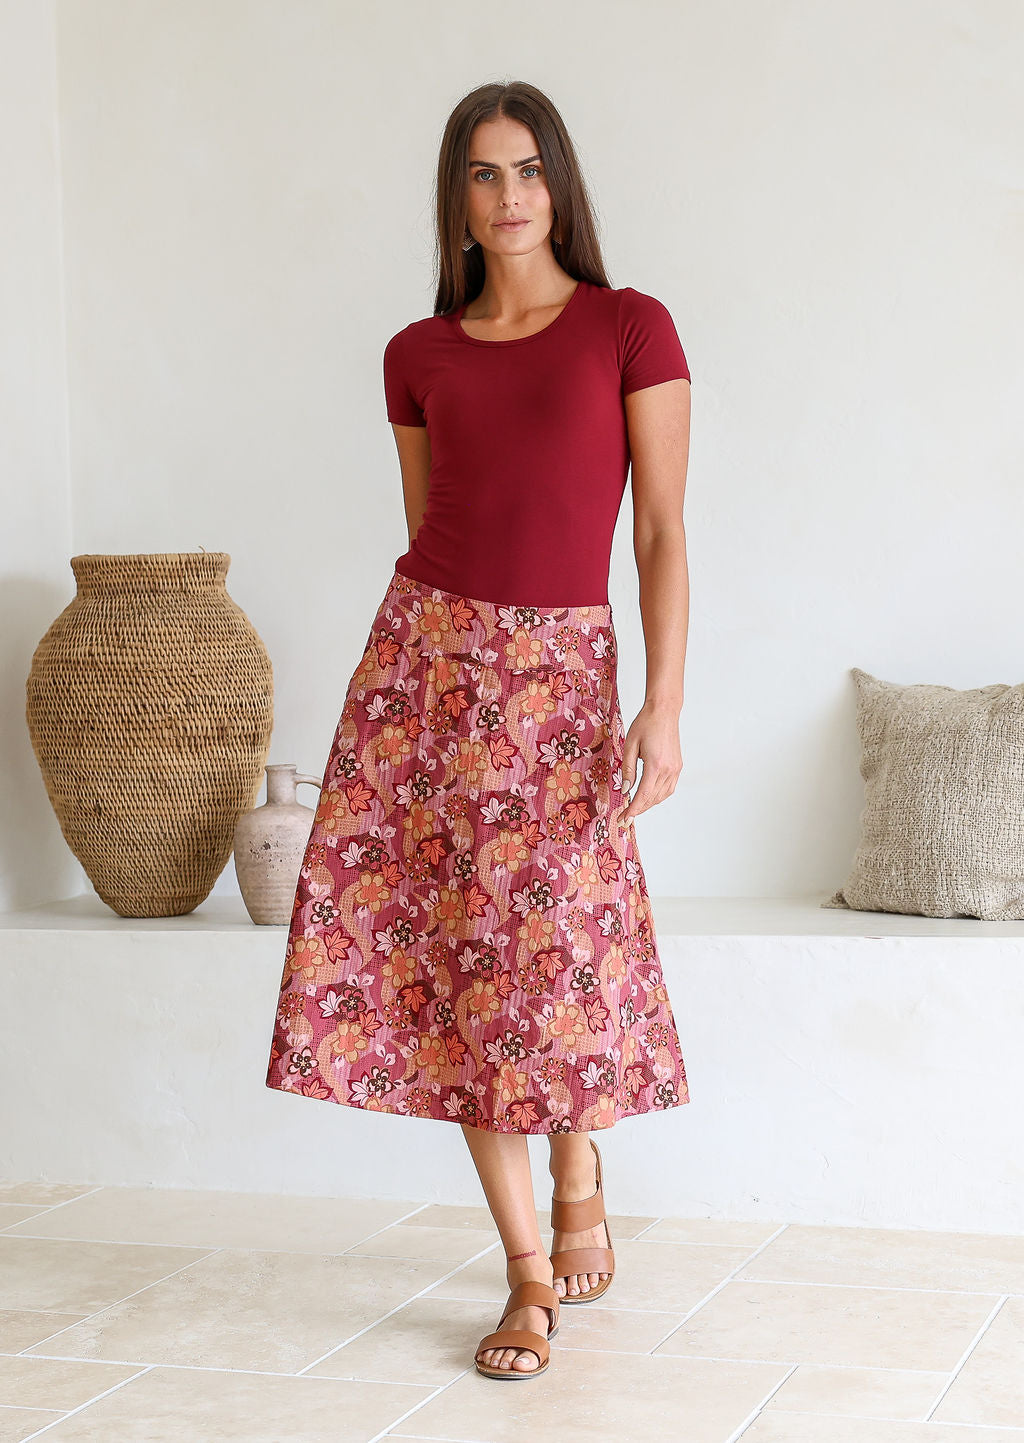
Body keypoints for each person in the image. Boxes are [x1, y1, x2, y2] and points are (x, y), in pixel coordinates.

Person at [265, 79, 692, 1381]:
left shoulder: (629, 327)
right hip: (427, 675)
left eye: (528, 170)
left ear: (559, 184)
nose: (508, 196)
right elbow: (428, 526)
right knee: (460, 971)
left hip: (563, 678)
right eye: (482, 174)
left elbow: (661, 530)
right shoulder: (420, 354)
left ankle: (580, 1155)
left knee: (558, 960)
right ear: (457, 198)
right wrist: (434, 677)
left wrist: (660, 705)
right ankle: (521, 1280)